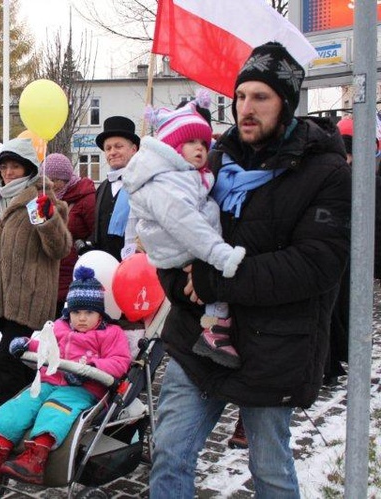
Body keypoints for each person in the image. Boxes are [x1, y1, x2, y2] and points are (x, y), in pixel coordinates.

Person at [149, 42, 351, 497]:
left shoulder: (325, 171)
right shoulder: (214, 159)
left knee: (270, 470)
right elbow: (171, 234)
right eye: (241, 96)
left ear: (287, 104)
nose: (246, 108)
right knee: (169, 453)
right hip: (197, 338)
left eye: (260, 97)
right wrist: (180, 288)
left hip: (275, 345)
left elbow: (316, 265)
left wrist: (213, 280)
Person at [0, 266, 132, 486]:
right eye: (77, 313)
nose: (82, 318)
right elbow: (46, 346)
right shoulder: (60, 327)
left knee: (55, 409)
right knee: (19, 407)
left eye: (89, 313)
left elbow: (120, 362)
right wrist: (27, 345)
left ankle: (36, 458)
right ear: (69, 312)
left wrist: (91, 368)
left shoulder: (110, 333)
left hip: (82, 389)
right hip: (49, 382)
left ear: (100, 313)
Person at [123, 95, 246, 369]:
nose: (200, 149)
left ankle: (216, 328)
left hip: (188, 248)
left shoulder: (184, 175)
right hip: (184, 248)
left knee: (212, 290)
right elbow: (184, 222)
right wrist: (220, 255)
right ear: (174, 147)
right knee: (215, 291)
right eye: (191, 142)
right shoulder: (168, 182)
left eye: (204, 142)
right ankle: (215, 331)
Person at [0, 137, 72, 357]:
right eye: (4, 166)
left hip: (28, 297)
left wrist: (49, 219)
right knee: (20, 367)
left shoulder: (41, 198)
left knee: (7, 364)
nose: (8, 172)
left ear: (28, 168)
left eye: (15, 166)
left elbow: (60, 249)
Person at [75, 116, 140, 262]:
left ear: (133, 149)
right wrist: (88, 245)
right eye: (108, 148)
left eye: (118, 146)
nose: (112, 152)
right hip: (106, 268)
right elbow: (99, 230)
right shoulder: (103, 187)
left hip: (136, 267)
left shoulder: (143, 183)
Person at [42, 153, 96, 317]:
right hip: (49, 272)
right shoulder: (47, 198)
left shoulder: (86, 199)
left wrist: (81, 246)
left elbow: (95, 232)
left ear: (64, 178)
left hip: (74, 274)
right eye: (46, 179)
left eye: (54, 179)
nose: (50, 184)